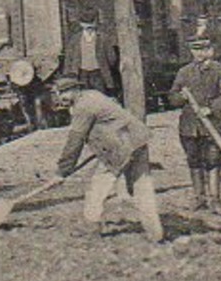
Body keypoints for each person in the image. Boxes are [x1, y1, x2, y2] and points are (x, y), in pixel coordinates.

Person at [53, 82, 164, 243]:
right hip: (137, 140)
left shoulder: (83, 107)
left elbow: (75, 141)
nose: (60, 98)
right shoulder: (93, 94)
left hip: (119, 148)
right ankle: (155, 232)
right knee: (143, 187)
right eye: (58, 93)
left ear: (75, 90)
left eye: (63, 93)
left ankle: (90, 227)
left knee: (97, 188)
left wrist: (62, 171)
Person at [168, 36, 221, 215]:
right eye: (195, 49)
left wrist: (212, 109)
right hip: (189, 126)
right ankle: (199, 197)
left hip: (212, 124)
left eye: (203, 49)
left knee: (213, 161)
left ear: (210, 51)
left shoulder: (219, 70)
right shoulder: (184, 72)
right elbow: (172, 97)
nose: (199, 53)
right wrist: (180, 97)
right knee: (194, 160)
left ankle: (215, 200)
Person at [62, 8, 119, 95]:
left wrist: (105, 66)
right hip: (81, 73)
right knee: (82, 96)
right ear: (82, 25)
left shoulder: (103, 38)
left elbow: (112, 57)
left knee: (100, 96)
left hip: (98, 73)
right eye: (87, 27)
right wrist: (69, 73)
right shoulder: (75, 39)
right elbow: (69, 57)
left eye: (91, 27)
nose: (89, 30)